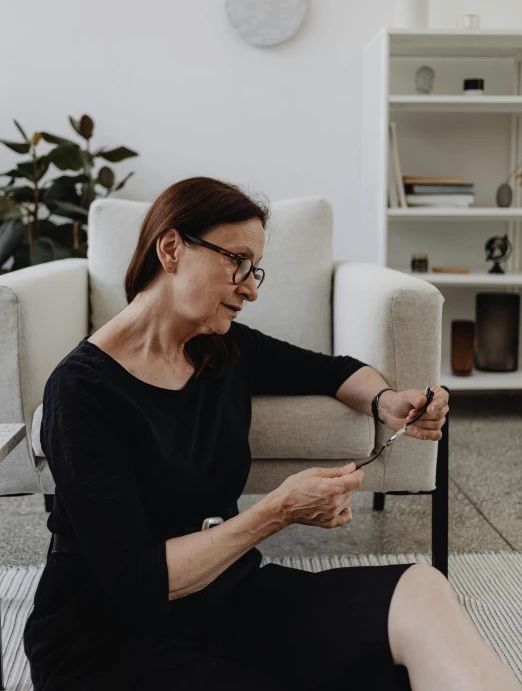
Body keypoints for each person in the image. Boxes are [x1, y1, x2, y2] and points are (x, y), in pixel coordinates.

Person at [23, 177, 521, 691]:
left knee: (421, 589)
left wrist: (387, 403)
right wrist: (279, 510)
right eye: (236, 261)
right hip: (108, 635)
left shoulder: (218, 348)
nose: (251, 288)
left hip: (226, 596)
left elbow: (330, 371)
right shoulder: (80, 391)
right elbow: (138, 581)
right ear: (171, 249)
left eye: (254, 268)